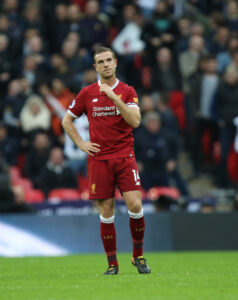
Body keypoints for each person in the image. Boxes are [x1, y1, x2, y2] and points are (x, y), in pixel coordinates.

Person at [62, 47, 150, 275]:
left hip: (124, 157)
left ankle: (138, 256)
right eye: (101, 62)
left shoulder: (127, 91)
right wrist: (81, 144)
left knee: (136, 205)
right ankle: (112, 263)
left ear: (116, 62)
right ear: (96, 67)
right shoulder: (87, 93)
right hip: (99, 160)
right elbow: (66, 121)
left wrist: (113, 97)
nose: (106, 64)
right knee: (106, 210)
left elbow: (136, 121)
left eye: (109, 60)